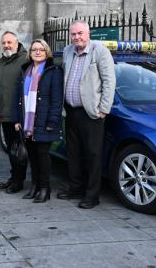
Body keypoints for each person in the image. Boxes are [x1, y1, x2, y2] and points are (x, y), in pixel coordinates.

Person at [58, 20, 116, 209]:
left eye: (80, 33)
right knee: (73, 152)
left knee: (92, 155)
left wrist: (104, 109)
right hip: (71, 111)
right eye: (74, 34)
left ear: (88, 33)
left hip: (91, 113)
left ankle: (92, 195)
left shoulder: (100, 51)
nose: (77, 37)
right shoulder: (68, 51)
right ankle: (75, 188)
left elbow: (109, 81)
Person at [14, 39, 63, 203]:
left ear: (47, 52)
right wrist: (18, 119)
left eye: (41, 49)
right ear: (30, 53)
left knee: (43, 157)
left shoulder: (54, 71)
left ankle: (45, 189)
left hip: (43, 121)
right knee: (33, 157)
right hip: (27, 122)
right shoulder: (25, 70)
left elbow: (57, 100)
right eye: (34, 49)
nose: (37, 52)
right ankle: (34, 186)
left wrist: (52, 121)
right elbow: (19, 97)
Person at [0, 31, 30, 193]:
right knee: (12, 151)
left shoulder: (26, 60)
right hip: (4, 116)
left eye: (9, 42)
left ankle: (18, 182)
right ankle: (14, 178)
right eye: (4, 43)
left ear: (17, 43)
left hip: (20, 116)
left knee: (20, 151)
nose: (6, 45)